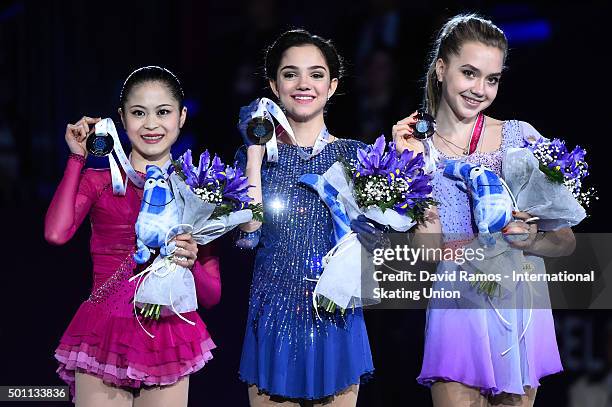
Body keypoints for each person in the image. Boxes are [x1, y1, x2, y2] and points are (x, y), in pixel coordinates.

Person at [392, 14, 576, 407]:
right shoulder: (412, 147)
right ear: (441, 69)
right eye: (469, 73)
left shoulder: (521, 137)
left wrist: (533, 240)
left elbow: (566, 241)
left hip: (519, 297)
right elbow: (425, 254)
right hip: (457, 300)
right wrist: (412, 170)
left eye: (491, 79)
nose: (480, 89)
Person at [44, 66, 220, 407]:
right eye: (139, 113)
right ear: (121, 119)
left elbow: (212, 296)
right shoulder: (102, 183)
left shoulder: (198, 190)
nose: (151, 124)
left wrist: (192, 259)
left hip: (168, 333)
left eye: (163, 112)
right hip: (103, 332)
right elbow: (55, 233)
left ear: (182, 117)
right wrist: (77, 158)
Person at [234, 29, 375, 406]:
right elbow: (248, 234)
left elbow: (377, 243)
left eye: (316, 74)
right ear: (273, 85)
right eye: (290, 73)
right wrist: (253, 155)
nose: (303, 84)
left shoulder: (357, 156)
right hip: (273, 314)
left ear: (332, 87)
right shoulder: (254, 159)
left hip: (336, 314)